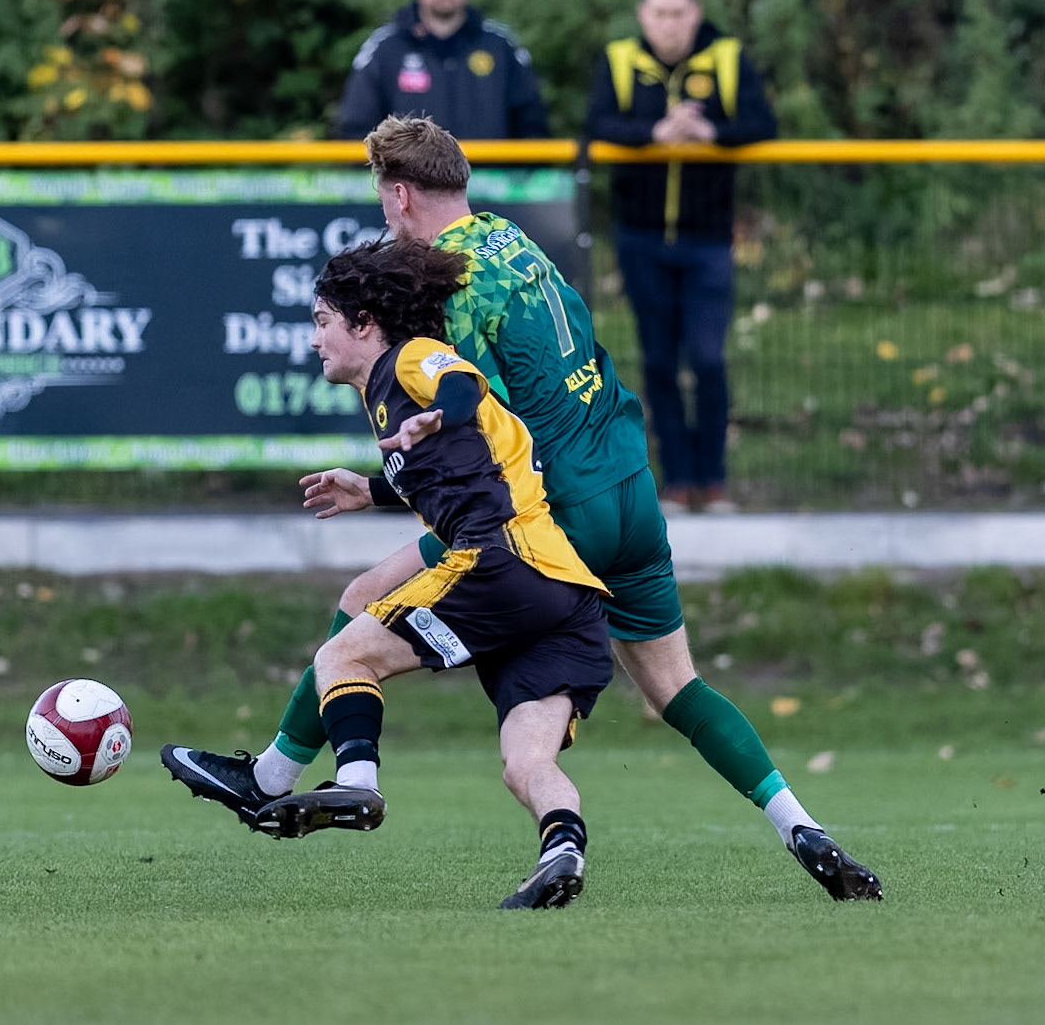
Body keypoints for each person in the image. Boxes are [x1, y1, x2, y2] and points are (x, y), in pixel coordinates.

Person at [162, 115, 881, 903]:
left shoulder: (452, 284)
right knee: (677, 687)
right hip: (630, 490)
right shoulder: (510, 238)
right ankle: (798, 822)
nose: (382, 216)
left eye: (381, 202)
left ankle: (272, 775)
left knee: (364, 597)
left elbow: (480, 429)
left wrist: (389, 471)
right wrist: (380, 483)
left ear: (400, 196)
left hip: (555, 514)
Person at [251, 237, 615, 910]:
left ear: (364, 323)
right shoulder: (391, 402)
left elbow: (459, 380)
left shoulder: (409, 358)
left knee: (342, 655)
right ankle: (563, 848)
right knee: (526, 762)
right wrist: (373, 489)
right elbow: (467, 469)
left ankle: (356, 778)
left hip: (502, 562)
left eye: (322, 320)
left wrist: (437, 410)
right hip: (568, 597)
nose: (313, 340)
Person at [586, 0, 777, 513]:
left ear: (695, 13)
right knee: (660, 362)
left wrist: (709, 132)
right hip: (641, 236)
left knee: (709, 359)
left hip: (709, 238)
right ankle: (674, 482)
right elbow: (596, 123)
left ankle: (712, 481)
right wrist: (655, 134)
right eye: (660, 14)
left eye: (679, 13)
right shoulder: (620, 60)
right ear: (644, 15)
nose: (670, 25)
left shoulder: (728, 59)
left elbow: (765, 124)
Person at [335, 0, 548, 141]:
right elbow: (356, 129)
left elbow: (532, 126)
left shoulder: (501, 46)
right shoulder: (385, 48)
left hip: (492, 186)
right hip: (410, 187)